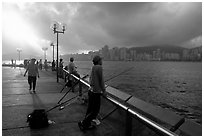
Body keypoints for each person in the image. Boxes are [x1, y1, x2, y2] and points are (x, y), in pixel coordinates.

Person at [78, 55, 106, 131]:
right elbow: (102, 81)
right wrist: (104, 91)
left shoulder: (93, 68)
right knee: (95, 111)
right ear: (98, 61)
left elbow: (91, 80)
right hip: (96, 92)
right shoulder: (99, 68)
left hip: (91, 91)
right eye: (101, 60)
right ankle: (84, 123)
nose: (102, 61)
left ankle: (86, 124)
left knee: (90, 109)